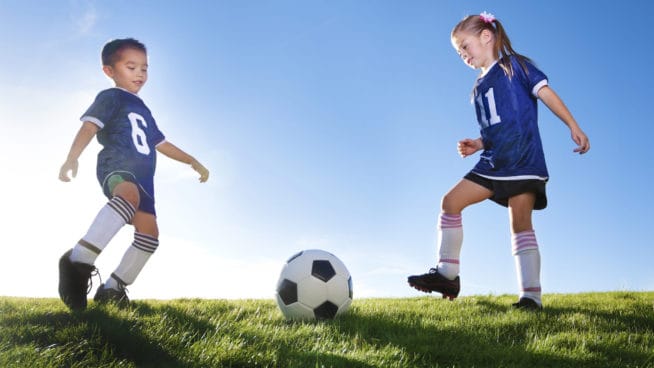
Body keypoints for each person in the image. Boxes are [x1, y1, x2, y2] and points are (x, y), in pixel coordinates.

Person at [408, 12, 590, 310]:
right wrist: (478, 143)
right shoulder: (477, 89)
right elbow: (495, 127)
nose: (463, 55)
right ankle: (447, 275)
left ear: (486, 36)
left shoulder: (514, 66)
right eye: (459, 52)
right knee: (450, 202)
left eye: (465, 46)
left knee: (520, 224)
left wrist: (573, 125)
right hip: (493, 161)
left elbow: (545, 94)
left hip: (522, 159)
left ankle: (531, 297)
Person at [58, 38, 210, 311]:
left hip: (144, 177)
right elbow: (90, 127)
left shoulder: (144, 109)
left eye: (145, 68)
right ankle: (77, 262)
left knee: (150, 234)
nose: (140, 73)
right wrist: (72, 158)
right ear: (110, 71)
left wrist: (192, 161)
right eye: (131, 67)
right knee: (126, 195)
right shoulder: (110, 97)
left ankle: (113, 289)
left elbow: (161, 144)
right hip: (117, 162)